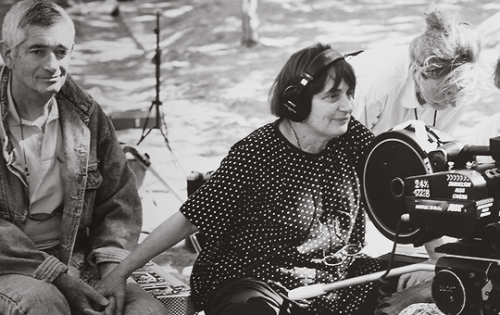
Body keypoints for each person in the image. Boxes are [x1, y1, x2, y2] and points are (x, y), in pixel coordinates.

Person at [95, 43, 435, 315]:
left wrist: (439, 263)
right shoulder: (255, 153)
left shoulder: (353, 138)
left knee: (449, 290)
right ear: (296, 103)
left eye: (349, 93)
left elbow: (410, 195)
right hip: (257, 283)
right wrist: (121, 273)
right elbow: (189, 218)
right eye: (333, 96)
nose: (347, 106)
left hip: (337, 281)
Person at [0, 1, 167, 315]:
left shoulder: (85, 113)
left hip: (77, 258)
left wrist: (111, 273)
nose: (52, 66)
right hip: (10, 266)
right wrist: (58, 277)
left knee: (146, 310)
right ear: (8, 54)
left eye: (61, 52)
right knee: (43, 305)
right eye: (37, 51)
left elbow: (119, 198)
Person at [346, 8, 483, 139]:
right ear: (419, 71)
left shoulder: (459, 92)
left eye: (457, 91)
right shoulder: (378, 84)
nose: (453, 103)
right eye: (446, 92)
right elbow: (346, 147)